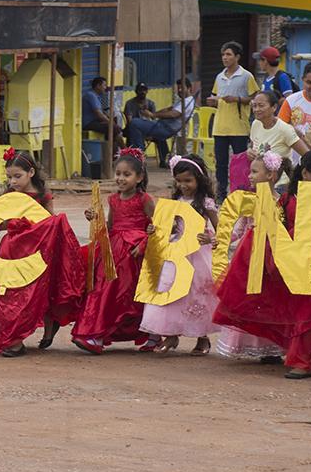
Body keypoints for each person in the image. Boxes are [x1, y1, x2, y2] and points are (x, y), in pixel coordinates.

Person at [213, 151, 311, 379]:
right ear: (305, 173)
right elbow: (280, 228)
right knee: (299, 307)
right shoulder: (287, 198)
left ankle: (302, 360)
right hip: (293, 257)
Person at [0, 148, 85, 357]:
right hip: (11, 250)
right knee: (8, 292)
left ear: (31, 172)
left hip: (37, 252)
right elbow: (0, 223)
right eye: (9, 177)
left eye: (17, 176)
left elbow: (51, 225)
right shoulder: (9, 196)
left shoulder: (43, 196)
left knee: (34, 294)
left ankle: (35, 330)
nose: (13, 182)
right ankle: (12, 338)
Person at [73, 148, 155, 354]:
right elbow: (109, 226)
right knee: (101, 288)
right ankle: (96, 333)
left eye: (126, 174)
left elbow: (157, 227)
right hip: (112, 249)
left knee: (130, 293)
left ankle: (151, 333)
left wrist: (143, 245)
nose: (120, 178)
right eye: (118, 174)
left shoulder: (145, 200)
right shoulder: (112, 199)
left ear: (139, 177)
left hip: (133, 251)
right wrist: (94, 218)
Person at [140, 154, 220, 355]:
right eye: (179, 181)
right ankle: (171, 334)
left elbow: (221, 229)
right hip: (175, 251)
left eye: (188, 180)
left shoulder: (206, 203)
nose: (183, 185)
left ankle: (202, 338)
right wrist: (154, 230)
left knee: (196, 292)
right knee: (170, 288)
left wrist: (210, 237)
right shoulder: (174, 201)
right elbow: (166, 226)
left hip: (197, 254)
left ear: (198, 180)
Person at [215, 151, 288, 364]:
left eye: (255, 172)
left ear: (271, 175)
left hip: (274, 257)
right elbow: (238, 228)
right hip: (249, 257)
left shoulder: (281, 201)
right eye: (250, 171)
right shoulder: (249, 200)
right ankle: (250, 342)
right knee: (250, 299)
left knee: (270, 299)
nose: (249, 176)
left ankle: (271, 346)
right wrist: (222, 240)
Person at [206, 41, 259, 200]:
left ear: (237, 57)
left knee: (240, 162)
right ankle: (221, 193)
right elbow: (216, 96)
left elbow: (254, 97)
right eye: (223, 54)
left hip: (239, 127)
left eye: (228, 54)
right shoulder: (219, 77)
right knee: (220, 163)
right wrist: (214, 101)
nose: (225, 57)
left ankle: (240, 191)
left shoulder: (246, 76)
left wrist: (236, 99)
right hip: (220, 127)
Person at [127, 77, 196, 168]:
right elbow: (168, 109)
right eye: (178, 88)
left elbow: (173, 114)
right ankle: (164, 160)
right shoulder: (183, 101)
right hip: (162, 126)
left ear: (189, 88)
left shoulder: (187, 102)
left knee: (134, 123)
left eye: (182, 88)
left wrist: (153, 115)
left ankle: (139, 157)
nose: (179, 90)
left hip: (166, 128)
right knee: (137, 126)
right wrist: (154, 114)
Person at [247, 90, 309, 185]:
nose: (256, 109)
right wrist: (249, 151)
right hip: (260, 183)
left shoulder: (284, 129)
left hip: (280, 184)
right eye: (254, 106)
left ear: (274, 107)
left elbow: (307, 155)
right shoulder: (256, 124)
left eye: (261, 105)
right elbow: (253, 146)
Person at [122, 82, 156, 147]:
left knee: (161, 134)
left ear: (147, 91)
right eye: (140, 90)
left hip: (147, 129)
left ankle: (164, 155)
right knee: (132, 131)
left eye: (144, 90)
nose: (142, 92)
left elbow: (154, 120)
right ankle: (137, 153)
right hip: (133, 128)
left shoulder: (151, 104)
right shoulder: (130, 103)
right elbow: (130, 121)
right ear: (136, 91)